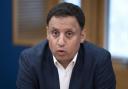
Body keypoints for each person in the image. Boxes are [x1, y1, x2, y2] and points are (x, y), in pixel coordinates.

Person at [16, 2, 116, 89]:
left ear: (82, 36)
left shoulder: (100, 60)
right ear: (47, 33)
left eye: (69, 34)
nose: (61, 42)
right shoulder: (30, 59)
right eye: (55, 33)